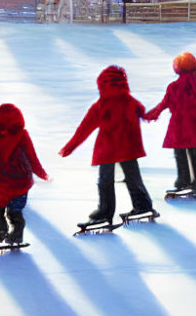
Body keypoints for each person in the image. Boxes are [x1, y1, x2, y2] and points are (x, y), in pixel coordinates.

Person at [59, 65, 156, 225]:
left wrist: (69, 147)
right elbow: (143, 112)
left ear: (102, 85)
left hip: (108, 150)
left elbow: (84, 128)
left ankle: (105, 212)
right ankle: (143, 205)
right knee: (133, 178)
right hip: (129, 149)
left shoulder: (101, 105)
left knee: (105, 181)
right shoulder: (130, 101)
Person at [0, 103, 48, 245]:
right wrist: (42, 174)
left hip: (6, 184)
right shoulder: (19, 135)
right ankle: (13, 234)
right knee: (13, 210)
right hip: (19, 183)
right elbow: (32, 158)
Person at [145, 52, 196, 192]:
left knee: (180, 153)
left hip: (179, 125)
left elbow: (164, 104)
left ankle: (183, 180)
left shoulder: (174, 86)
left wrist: (152, 114)